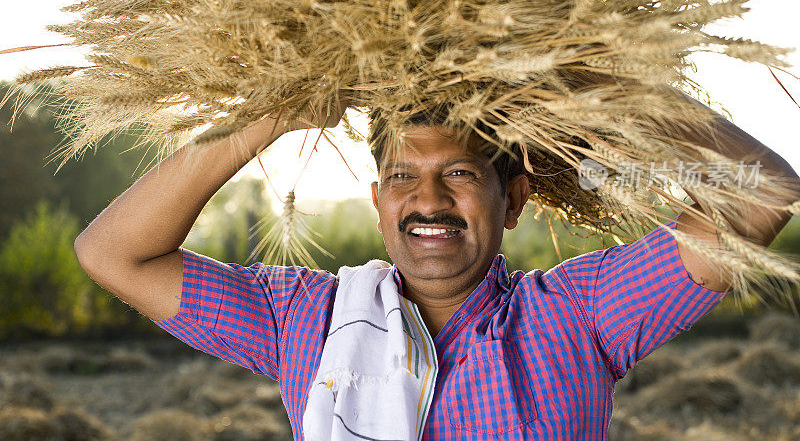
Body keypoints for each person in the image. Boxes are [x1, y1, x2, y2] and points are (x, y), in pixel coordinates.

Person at [74, 101, 798, 440]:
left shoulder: (580, 315)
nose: (427, 198)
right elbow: (111, 253)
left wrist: (598, 93)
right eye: (402, 176)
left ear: (511, 197)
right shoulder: (306, 320)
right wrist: (271, 116)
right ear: (378, 201)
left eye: (458, 171)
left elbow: (764, 191)